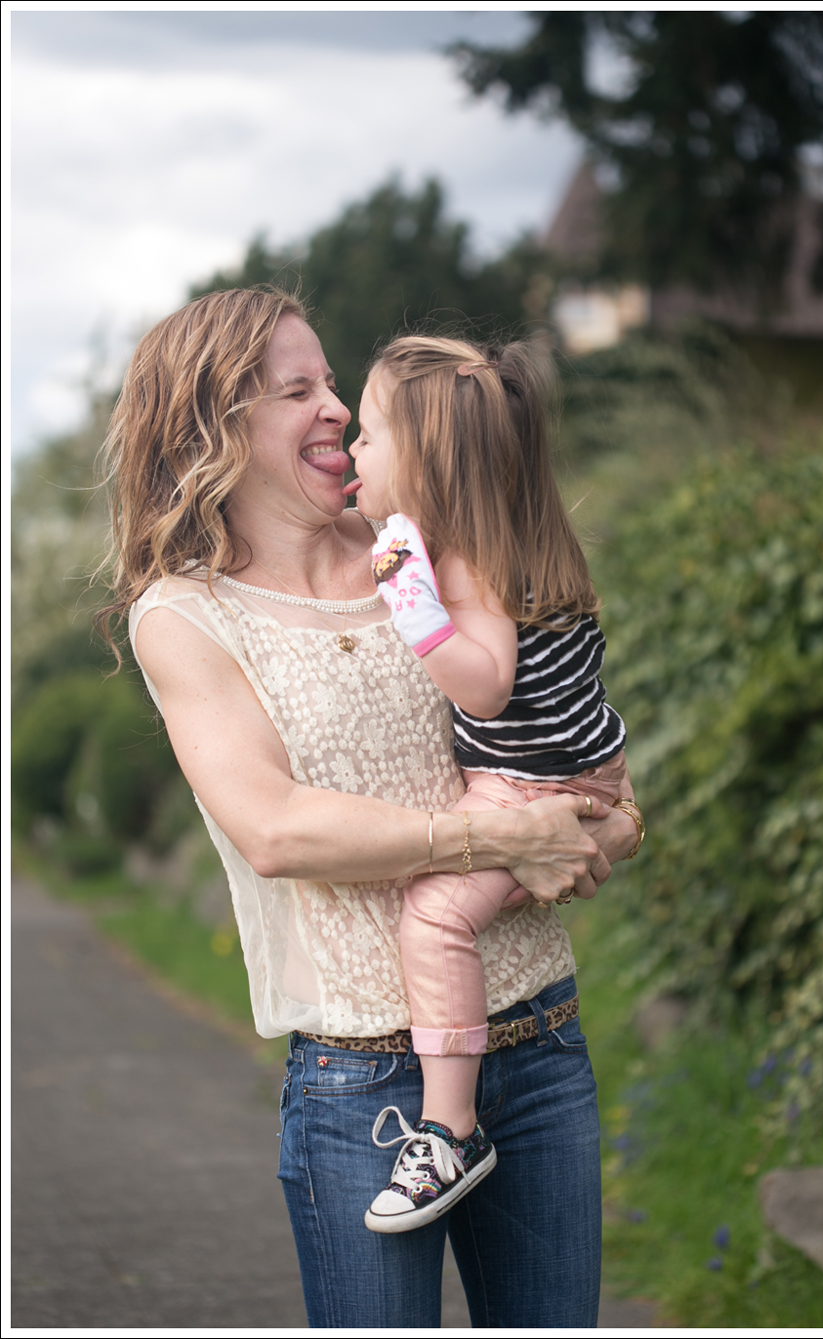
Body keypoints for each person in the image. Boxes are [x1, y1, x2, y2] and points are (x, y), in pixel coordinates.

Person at [97, 286, 641, 1329]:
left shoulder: (420, 543)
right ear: (215, 427)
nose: (338, 407)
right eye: (297, 389)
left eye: (334, 382)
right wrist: (501, 835)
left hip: (541, 1041)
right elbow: (276, 829)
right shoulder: (187, 615)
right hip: (364, 1087)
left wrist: (611, 818)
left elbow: (559, 726)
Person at [346, 336, 643, 1235]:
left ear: (424, 461)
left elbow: (486, 686)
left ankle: (450, 1128)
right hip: (592, 766)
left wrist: (414, 609)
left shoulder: (464, 561)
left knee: (435, 917)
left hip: (526, 787)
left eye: (369, 435)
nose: (355, 449)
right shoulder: (523, 537)